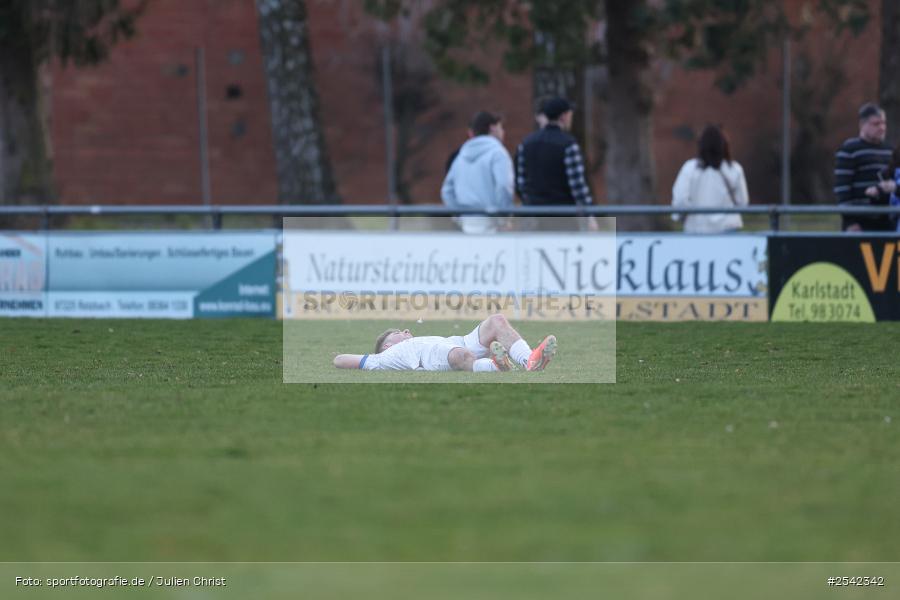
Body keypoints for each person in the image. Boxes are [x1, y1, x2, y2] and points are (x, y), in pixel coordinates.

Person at [333, 313, 557, 373]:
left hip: (452, 342)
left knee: (496, 321)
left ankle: (529, 361)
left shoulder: (425, 338)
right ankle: (496, 365)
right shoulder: (385, 358)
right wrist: (373, 359)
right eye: (398, 333)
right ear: (388, 346)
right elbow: (339, 360)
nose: (406, 330)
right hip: (433, 356)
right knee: (461, 356)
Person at [515, 97, 597, 231]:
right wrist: (589, 215)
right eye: (570, 114)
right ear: (564, 116)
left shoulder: (526, 144)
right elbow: (578, 187)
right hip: (563, 217)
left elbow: (521, 183)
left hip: (533, 216)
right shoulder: (569, 145)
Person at [441, 111, 514, 234]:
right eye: (501, 127)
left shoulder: (461, 156)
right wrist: (503, 218)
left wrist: (459, 215)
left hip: (468, 223)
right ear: (493, 128)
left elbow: (446, 190)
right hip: (492, 223)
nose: (503, 132)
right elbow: (503, 185)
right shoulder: (498, 153)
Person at [671, 125, 749, 234]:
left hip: (696, 230)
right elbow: (743, 203)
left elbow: (680, 200)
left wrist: (682, 217)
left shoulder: (689, 168)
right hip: (728, 229)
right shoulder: (734, 169)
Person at [834, 103, 895, 232]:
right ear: (862, 125)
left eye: (884, 123)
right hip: (860, 222)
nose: (882, 128)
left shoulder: (890, 151)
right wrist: (851, 222)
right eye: (876, 124)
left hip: (887, 221)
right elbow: (842, 190)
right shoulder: (849, 149)